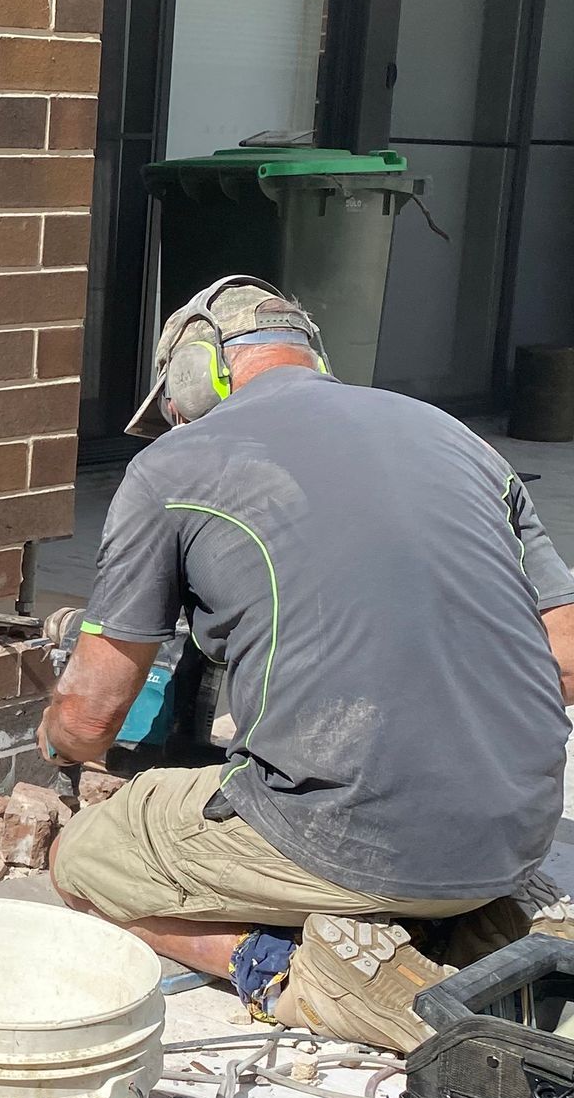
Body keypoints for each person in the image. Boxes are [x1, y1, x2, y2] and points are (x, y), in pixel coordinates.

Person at [42, 276, 574, 1051]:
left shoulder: (174, 467)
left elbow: (92, 720)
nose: (175, 421)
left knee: (82, 860)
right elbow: (563, 663)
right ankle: (485, 931)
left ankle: (288, 969)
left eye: (171, 404)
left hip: (348, 837)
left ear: (200, 368)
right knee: (394, 837)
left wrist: (58, 740)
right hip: (516, 826)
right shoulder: (462, 441)